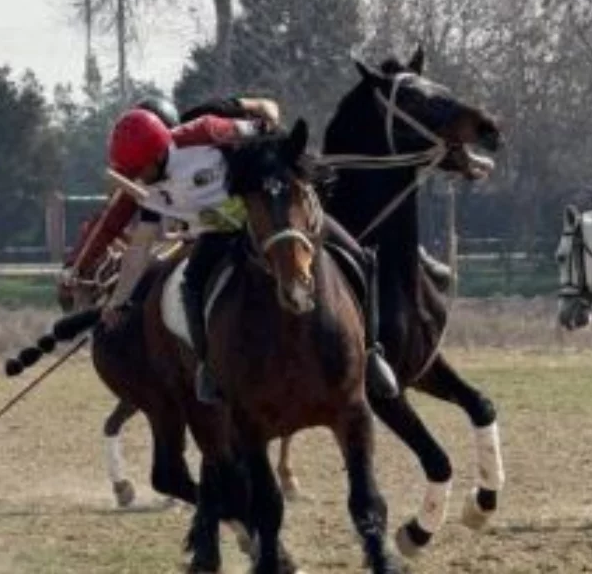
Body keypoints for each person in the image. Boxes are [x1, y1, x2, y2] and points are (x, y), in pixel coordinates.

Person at [73, 105, 399, 404]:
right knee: (191, 284)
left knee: (360, 257)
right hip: (218, 234)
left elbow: (266, 130)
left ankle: (371, 353)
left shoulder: (206, 132)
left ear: (158, 153)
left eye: (137, 169)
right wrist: (118, 300)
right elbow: (139, 249)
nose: (135, 178)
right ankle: (208, 367)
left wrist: (273, 180)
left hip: (269, 212)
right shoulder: (146, 188)